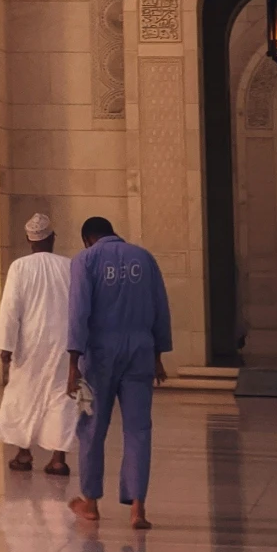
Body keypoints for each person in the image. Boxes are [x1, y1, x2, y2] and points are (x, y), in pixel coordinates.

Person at [65, 215, 171, 531]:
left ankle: (91, 502)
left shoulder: (85, 260)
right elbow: (160, 308)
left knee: (91, 427)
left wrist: (73, 364)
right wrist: (158, 356)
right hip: (140, 351)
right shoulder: (144, 258)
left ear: (87, 239)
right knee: (139, 429)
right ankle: (137, 508)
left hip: (98, 357)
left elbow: (78, 312)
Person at [0, 212, 78, 476]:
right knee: (61, 397)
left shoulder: (20, 267)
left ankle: (24, 453)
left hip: (29, 344)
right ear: (53, 238)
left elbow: (10, 309)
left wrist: (5, 346)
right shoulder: (69, 266)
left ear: (29, 240)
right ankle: (58, 459)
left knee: (23, 395)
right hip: (63, 344)